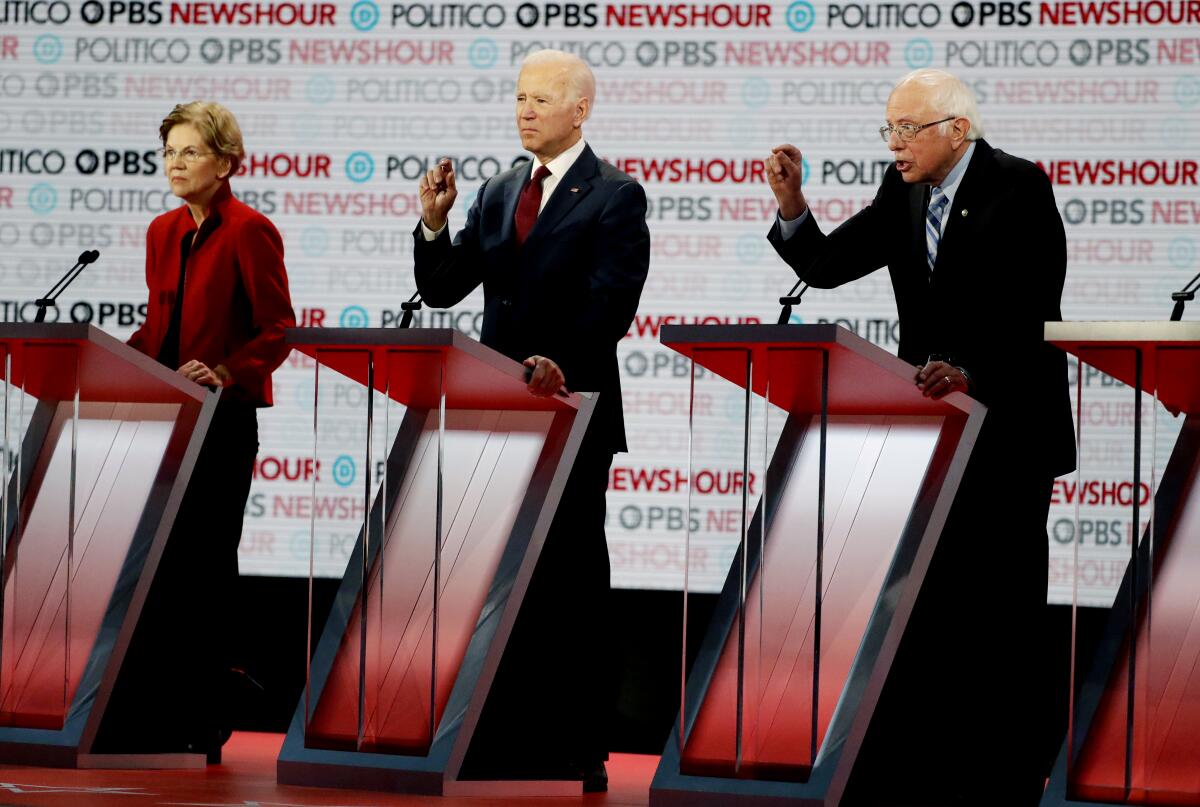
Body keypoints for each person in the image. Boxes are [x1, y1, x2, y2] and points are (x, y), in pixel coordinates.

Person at [765, 68, 1075, 805]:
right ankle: (932, 761)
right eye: (890, 129)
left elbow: (1033, 309)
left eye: (908, 129)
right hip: (932, 434)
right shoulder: (900, 190)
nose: (895, 142)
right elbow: (831, 265)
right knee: (930, 606)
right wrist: (792, 206)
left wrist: (969, 369)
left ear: (956, 130)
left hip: (1006, 433)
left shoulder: (1019, 186)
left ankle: (1006, 771)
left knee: (1000, 609)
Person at [412, 49, 650, 791]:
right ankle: (498, 725)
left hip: (571, 411)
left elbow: (613, 303)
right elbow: (446, 289)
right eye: (519, 97)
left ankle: (583, 741)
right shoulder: (498, 188)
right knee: (494, 575)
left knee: (573, 579)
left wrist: (559, 363)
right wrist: (432, 223)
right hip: (500, 415)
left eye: (541, 99)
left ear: (581, 109)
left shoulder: (615, 194)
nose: (525, 110)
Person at [104, 100, 295, 760]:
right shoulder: (161, 232)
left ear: (225, 162)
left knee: (203, 567)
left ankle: (206, 715)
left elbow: (278, 328)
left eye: (189, 152)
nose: (175, 164)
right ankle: (155, 709)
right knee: (157, 567)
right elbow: (161, 328)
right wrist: (115, 358)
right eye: (169, 153)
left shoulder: (250, 230)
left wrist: (225, 370)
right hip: (167, 420)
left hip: (222, 420)